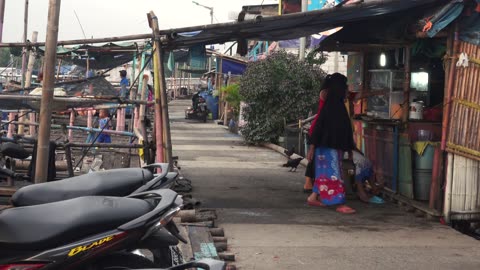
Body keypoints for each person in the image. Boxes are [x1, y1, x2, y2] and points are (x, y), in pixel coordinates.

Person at [306, 73, 356, 214]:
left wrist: (350, 149)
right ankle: (338, 203)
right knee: (334, 175)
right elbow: (319, 128)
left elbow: (342, 130)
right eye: (345, 87)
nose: (347, 90)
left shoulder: (334, 106)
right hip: (329, 149)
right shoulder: (334, 107)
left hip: (327, 148)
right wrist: (312, 148)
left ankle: (313, 196)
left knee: (324, 174)